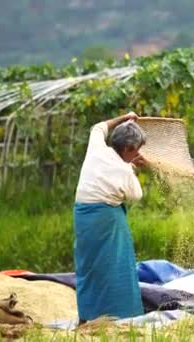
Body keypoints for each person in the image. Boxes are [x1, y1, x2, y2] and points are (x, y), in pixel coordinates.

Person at [73, 112, 148, 324]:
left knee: (89, 266)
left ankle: (88, 316)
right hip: (105, 219)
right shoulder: (124, 170)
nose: (137, 154)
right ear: (127, 149)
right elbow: (137, 195)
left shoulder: (97, 147)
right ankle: (122, 317)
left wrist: (124, 117)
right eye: (136, 150)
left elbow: (97, 127)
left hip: (83, 216)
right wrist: (135, 168)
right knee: (116, 265)